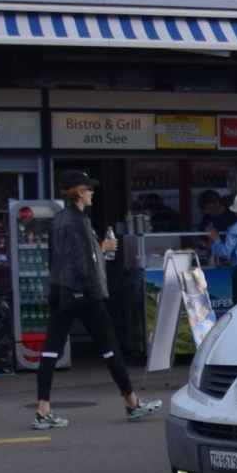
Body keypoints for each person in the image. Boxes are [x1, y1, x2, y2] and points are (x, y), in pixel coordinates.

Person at [33, 171, 161, 430]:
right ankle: (132, 402)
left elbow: (59, 257)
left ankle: (42, 409)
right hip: (82, 292)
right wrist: (99, 293)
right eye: (89, 189)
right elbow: (83, 264)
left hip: (59, 289)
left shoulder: (58, 219)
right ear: (80, 192)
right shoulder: (80, 221)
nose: (93, 193)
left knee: (50, 350)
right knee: (110, 346)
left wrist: (97, 250)